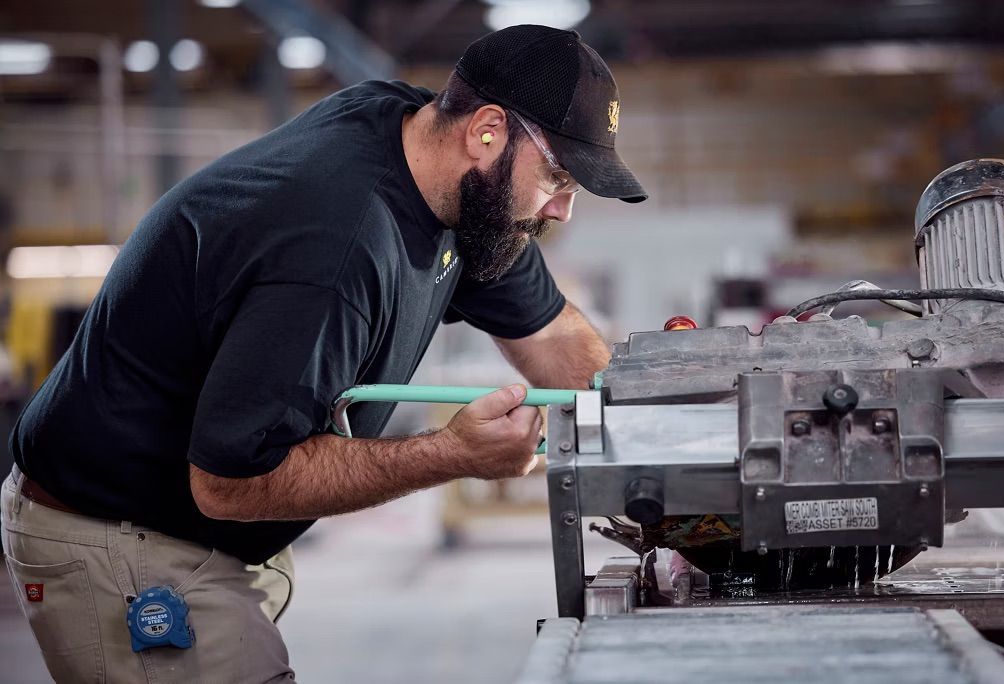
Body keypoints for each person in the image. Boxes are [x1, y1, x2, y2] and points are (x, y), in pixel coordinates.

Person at [1, 24, 646, 682]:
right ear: (486, 131)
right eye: (559, 177)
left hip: (196, 528)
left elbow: (552, 335)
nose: (563, 210)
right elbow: (229, 481)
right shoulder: (335, 248)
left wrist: (658, 444)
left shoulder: (430, 155)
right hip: (120, 534)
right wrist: (453, 453)